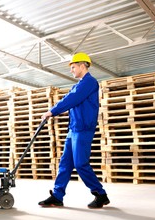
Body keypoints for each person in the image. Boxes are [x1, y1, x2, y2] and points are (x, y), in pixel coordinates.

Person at [38, 52, 110, 209]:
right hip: (74, 129)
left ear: (82, 66)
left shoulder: (90, 82)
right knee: (65, 163)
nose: (71, 70)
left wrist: (52, 112)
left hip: (83, 129)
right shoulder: (77, 85)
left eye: (73, 67)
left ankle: (100, 194)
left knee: (80, 163)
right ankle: (57, 196)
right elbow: (67, 99)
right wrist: (53, 110)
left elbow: (73, 99)